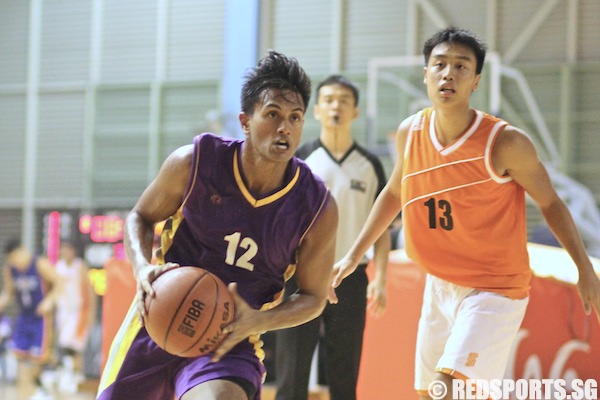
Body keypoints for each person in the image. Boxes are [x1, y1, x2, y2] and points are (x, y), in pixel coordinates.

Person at [331, 27, 600, 400]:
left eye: (461, 66)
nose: (449, 74)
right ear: (425, 74)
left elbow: (551, 203)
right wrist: (354, 253)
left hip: (494, 289)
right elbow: (394, 192)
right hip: (438, 283)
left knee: (448, 388)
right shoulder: (411, 132)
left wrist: (585, 268)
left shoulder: (506, 143)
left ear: (475, 81)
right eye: (439, 64)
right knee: (430, 393)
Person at [95, 50, 338, 400]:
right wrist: (142, 268)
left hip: (230, 338)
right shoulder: (194, 162)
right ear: (245, 121)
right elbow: (140, 216)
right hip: (157, 319)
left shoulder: (316, 206)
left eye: (295, 117)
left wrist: (259, 320)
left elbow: (314, 297)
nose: (285, 127)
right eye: (272, 114)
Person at [274, 75, 390, 400]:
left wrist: (381, 276)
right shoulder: (298, 162)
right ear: (317, 110)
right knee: (291, 372)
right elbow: (280, 224)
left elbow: (381, 229)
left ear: (355, 111)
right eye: (328, 100)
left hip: (351, 278)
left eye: (343, 100)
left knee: (345, 371)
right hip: (302, 276)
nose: (335, 106)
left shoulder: (369, 165)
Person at [0, 239, 62, 400]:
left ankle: (52, 371)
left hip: (41, 317)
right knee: (20, 356)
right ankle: (33, 389)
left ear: (22, 251)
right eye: (11, 259)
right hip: (24, 316)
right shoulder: (10, 269)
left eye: (16, 257)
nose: (15, 261)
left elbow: (59, 283)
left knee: (38, 359)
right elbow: (9, 292)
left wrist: (49, 301)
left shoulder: (40, 264)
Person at [54, 240, 96, 394]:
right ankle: (70, 375)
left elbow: (90, 292)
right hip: (62, 310)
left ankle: (75, 376)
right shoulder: (58, 267)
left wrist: (91, 312)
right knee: (64, 345)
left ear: (73, 251)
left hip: (78, 311)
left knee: (73, 346)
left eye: (68, 249)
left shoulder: (80, 266)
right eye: (63, 249)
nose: (65, 252)